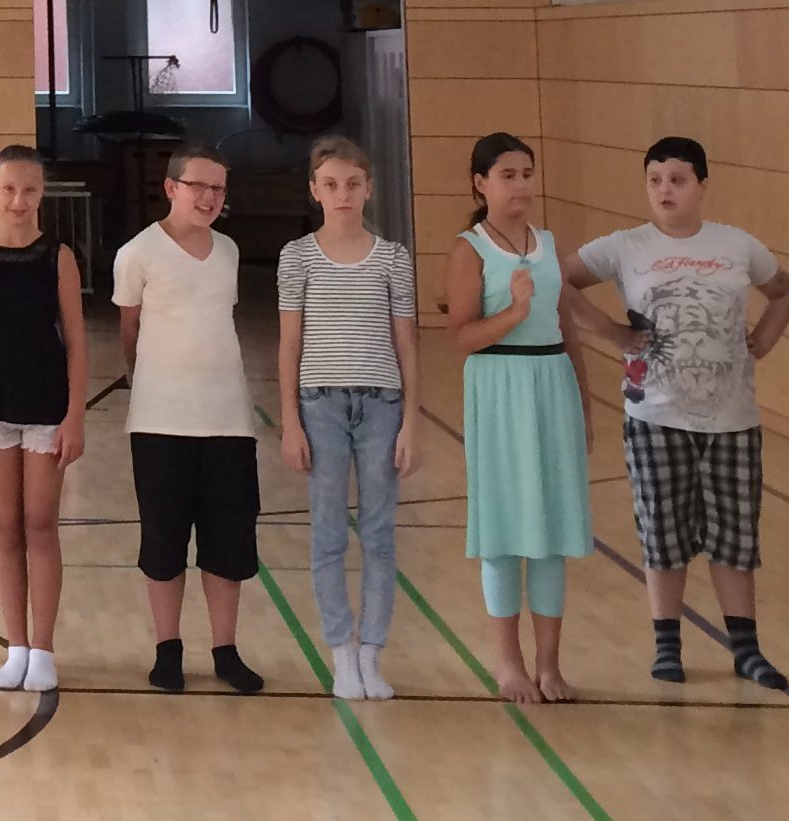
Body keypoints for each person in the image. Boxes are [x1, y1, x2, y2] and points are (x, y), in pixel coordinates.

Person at [559, 136, 789, 690]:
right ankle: (667, 645)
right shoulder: (625, 245)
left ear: (702, 187)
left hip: (733, 419)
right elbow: (557, 281)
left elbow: (785, 292)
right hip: (655, 415)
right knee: (663, 534)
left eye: (678, 179)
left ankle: (746, 650)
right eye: (655, 179)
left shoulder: (738, 244)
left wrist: (763, 339)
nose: (665, 189)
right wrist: (611, 331)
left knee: (735, 536)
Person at [446, 133, 594, 704]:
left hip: (551, 385)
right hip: (499, 387)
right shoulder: (469, 249)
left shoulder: (549, 244)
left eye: (527, 173)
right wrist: (514, 312)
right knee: (505, 532)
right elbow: (463, 336)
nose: (521, 184)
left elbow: (566, 327)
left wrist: (583, 403)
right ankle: (508, 664)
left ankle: (550, 665)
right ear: (480, 183)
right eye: (508, 174)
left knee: (552, 532)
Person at [117, 144, 265, 694]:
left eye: (218, 188)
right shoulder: (137, 253)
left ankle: (226, 650)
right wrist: (149, 383)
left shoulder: (228, 251)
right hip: (160, 423)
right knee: (163, 541)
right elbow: (129, 331)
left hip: (228, 421)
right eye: (198, 185)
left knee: (228, 542)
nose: (208, 197)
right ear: (171, 187)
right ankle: (168, 649)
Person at [274, 136, 418, 701]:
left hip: (382, 404)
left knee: (378, 534)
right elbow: (290, 344)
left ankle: (371, 653)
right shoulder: (297, 256)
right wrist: (290, 422)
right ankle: (340, 651)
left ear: (368, 189)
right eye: (331, 184)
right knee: (329, 533)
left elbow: (406, 344)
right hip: (321, 405)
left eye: (353, 184)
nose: (343, 194)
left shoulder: (393, 258)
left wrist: (411, 422)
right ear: (314, 190)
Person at [0, 146, 88, 693]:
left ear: (41, 193)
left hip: (47, 410)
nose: (19, 200)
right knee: (5, 527)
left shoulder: (58, 257)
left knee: (40, 524)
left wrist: (74, 416)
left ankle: (44, 649)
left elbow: (76, 342)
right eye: (9, 189)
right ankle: (16, 647)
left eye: (29, 190)